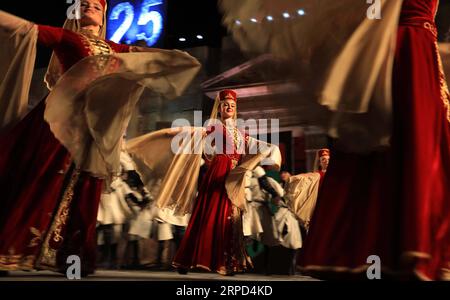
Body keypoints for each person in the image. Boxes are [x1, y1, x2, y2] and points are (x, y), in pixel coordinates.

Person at [221, 0, 450, 280]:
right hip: (401, 49)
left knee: (402, 143)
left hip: (412, 49)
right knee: (403, 142)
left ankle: (379, 247)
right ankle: (396, 245)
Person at [0, 0, 200, 275]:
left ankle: (71, 257)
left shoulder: (113, 49)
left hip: (94, 127)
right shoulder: (68, 37)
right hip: (63, 118)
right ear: (76, 12)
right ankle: (12, 250)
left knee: (85, 187)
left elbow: (145, 58)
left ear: (104, 13)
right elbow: (28, 29)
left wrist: (177, 60)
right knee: (41, 179)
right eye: (85, 4)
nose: (90, 7)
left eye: (96, 5)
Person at [126, 89, 282, 275]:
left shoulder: (240, 133)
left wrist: (272, 150)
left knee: (230, 218)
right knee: (210, 216)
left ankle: (225, 261)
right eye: (226, 105)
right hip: (218, 173)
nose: (229, 107)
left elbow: (255, 144)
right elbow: (197, 136)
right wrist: (171, 134)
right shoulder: (214, 127)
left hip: (234, 176)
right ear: (220, 108)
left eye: (232, 105)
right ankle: (190, 260)